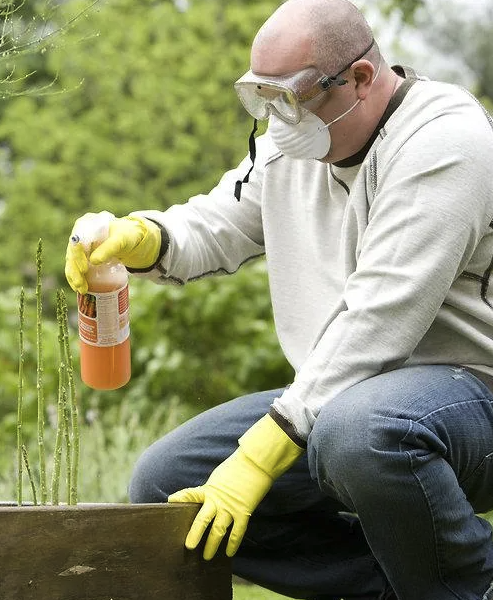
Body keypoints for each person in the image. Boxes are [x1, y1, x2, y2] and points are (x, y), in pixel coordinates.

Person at [63, 0, 493, 598]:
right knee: (168, 483)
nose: (276, 118)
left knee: (359, 431)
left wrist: (260, 457)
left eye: (289, 97)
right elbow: (220, 223)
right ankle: (402, 587)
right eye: (261, 97)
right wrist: (141, 238)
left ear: (361, 78)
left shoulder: (447, 141)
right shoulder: (293, 143)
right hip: (346, 398)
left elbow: (380, 317)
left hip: (470, 396)